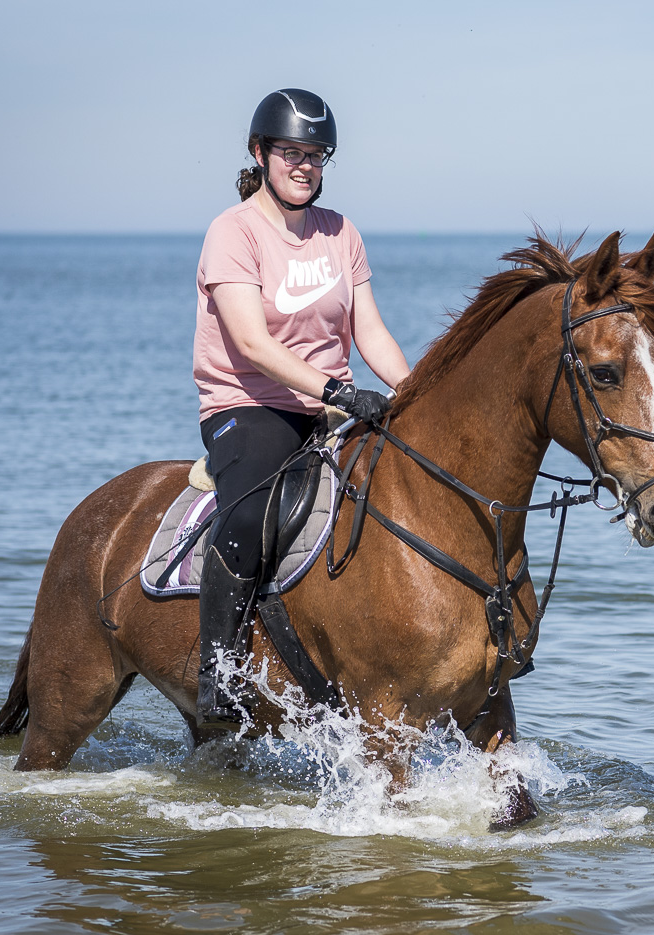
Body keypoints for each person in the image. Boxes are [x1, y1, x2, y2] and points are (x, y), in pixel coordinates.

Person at [192, 88, 411, 728]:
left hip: (329, 407)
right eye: (291, 152)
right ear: (260, 153)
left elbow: (370, 333)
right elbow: (252, 343)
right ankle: (219, 678)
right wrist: (336, 392)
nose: (304, 165)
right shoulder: (231, 232)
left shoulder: (341, 232)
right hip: (249, 403)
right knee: (255, 508)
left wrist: (416, 391)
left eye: (316, 155)